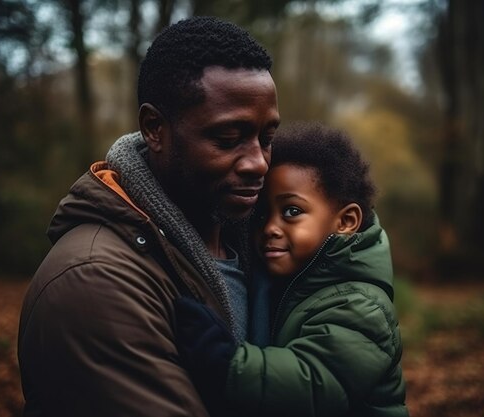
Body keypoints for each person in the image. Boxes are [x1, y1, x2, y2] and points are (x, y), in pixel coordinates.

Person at [17, 16, 280, 417]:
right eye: (228, 140)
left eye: (267, 138)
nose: (259, 163)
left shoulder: (270, 245)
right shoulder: (94, 281)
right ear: (154, 128)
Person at [175, 122, 409, 417]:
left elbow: (314, 384)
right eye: (262, 215)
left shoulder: (360, 305)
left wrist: (227, 363)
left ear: (346, 221)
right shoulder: (284, 284)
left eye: (292, 212)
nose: (270, 227)